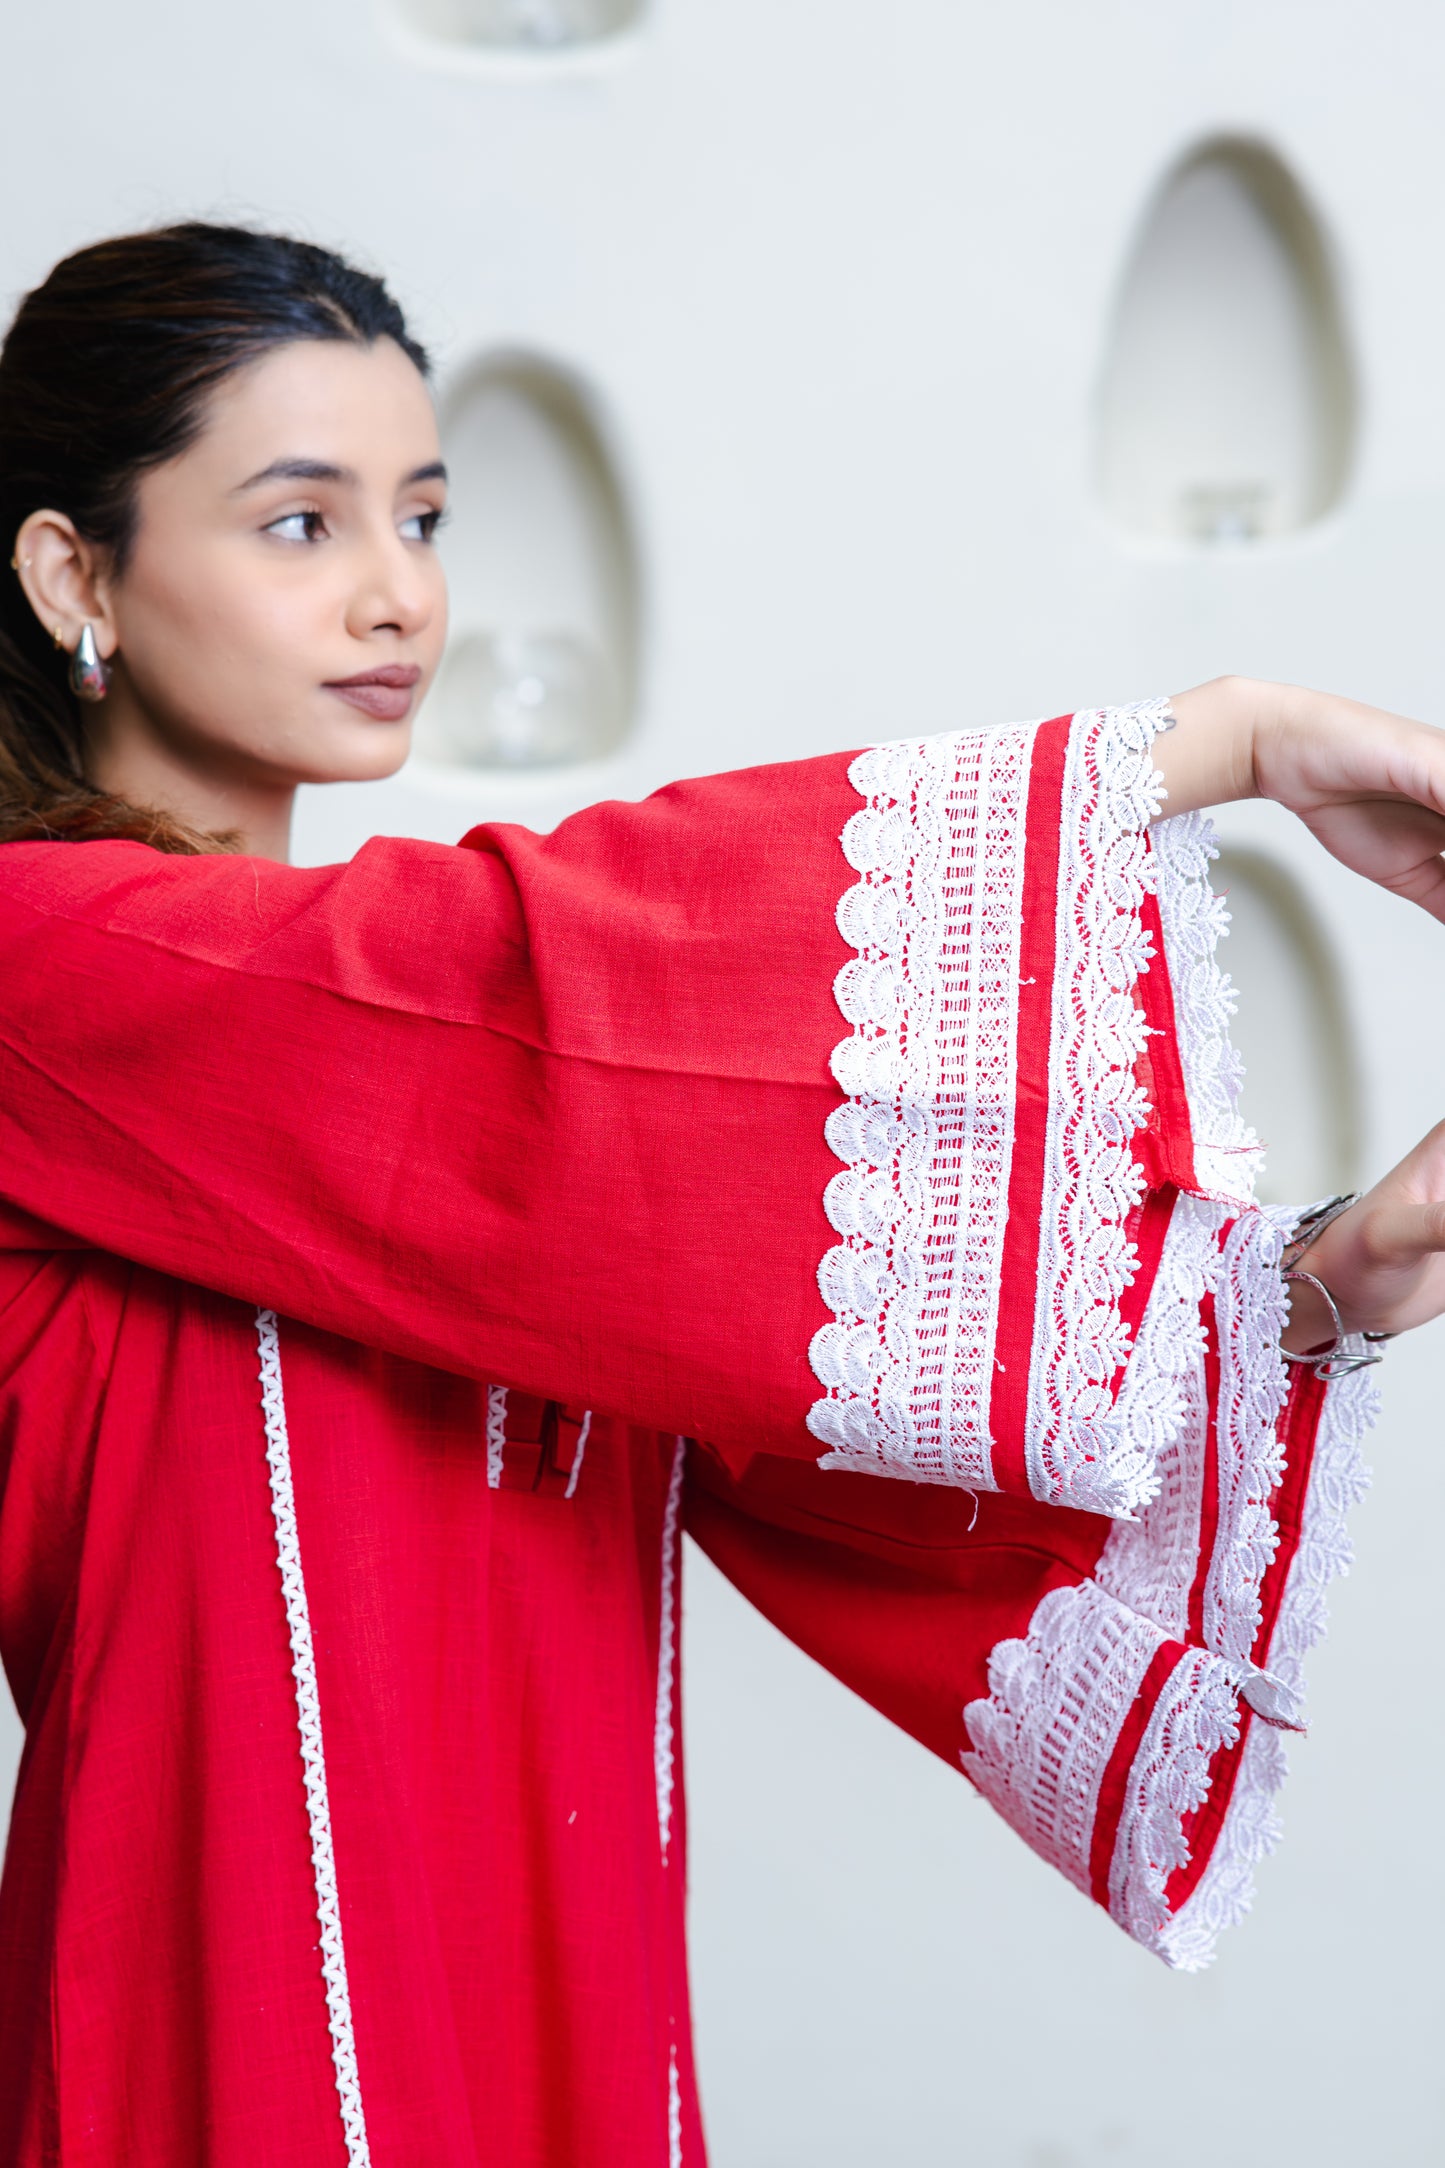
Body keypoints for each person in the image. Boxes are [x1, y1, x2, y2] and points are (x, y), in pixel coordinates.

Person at [0, 223, 1443, 2168]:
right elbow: (474, 978)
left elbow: (847, 1432)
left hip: (556, 2037)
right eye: (298, 524)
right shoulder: (48, 975)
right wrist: (1222, 742)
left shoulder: (508, 1125)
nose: (392, 595)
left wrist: (1331, 1280)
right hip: (225, 2040)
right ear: (73, 570)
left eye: (420, 516)